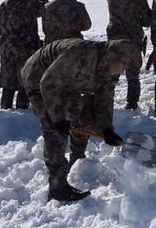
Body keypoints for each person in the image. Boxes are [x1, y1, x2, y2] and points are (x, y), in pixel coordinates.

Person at [21, 38, 140, 201]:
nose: (123, 71)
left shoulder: (109, 68)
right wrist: (57, 118)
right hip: (39, 81)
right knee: (55, 133)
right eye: (123, 65)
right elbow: (47, 83)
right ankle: (58, 188)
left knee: (83, 117)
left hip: (67, 83)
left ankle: (76, 161)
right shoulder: (79, 55)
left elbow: (105, 97)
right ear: (114, 57)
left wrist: (106, 129)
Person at [0, 0, 48, 110]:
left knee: (8, 81)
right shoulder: (29, 4)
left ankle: (5, 108)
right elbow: (48, 8)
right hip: (26, 47)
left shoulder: (1, 6)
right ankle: (21, 109)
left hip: (7, 48)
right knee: (25, 79)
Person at [106, 0, 152, 110]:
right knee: (133, 76)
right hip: (133, 43)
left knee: (111, 75)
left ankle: (107, 102)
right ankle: (131, 104)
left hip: (115, 43)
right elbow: (148, 21)